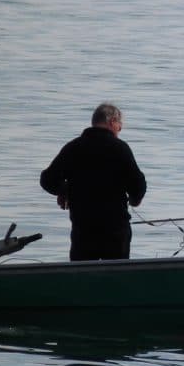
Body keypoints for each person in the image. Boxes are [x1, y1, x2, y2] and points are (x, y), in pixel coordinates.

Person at [40, 103, 147, 261]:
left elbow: (47, 179)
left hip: (83, 230)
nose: (120, 129)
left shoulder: (73, 147)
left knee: (82, 279)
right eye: (119, 125)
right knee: (116, 279)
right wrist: (135, 199)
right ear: (112, 122)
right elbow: (138, 184)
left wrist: (64, 190)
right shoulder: (120, 148)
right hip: (115, 231)